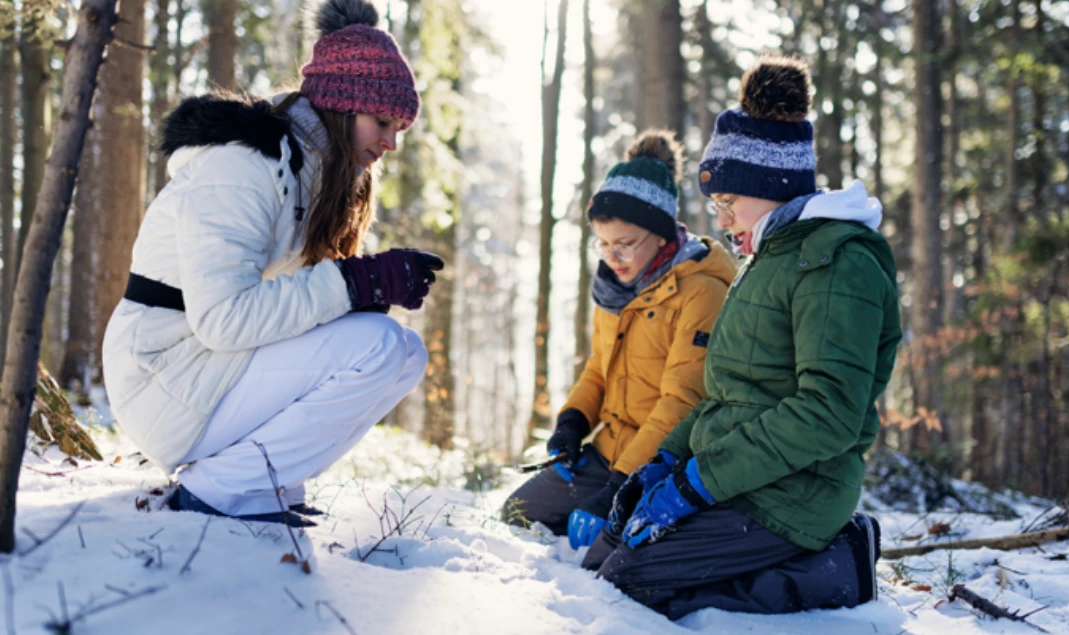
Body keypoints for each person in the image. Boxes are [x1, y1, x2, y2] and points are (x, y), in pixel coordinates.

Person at [581, 55, 903, 619]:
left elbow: (829, 413)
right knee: (603, 556)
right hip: (738, 473)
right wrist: (661, 464)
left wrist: (699, 482)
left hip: (794, 493)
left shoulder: (835, 263)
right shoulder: (768, 259)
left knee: (632, 585)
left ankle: (838, 565)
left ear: (770, 186)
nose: (723, 221)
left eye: (729, 204)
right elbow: (726, 394)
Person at [102, 0, 440, 527]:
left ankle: (261, 483)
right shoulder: (245, 165)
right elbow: (225, 318)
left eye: (400, 128)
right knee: (379, 348)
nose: (391, 143)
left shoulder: (315, 175)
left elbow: (290, 305)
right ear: (343, 104)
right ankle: (222, 490)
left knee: (401, 351)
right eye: (383, 122)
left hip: (207, 370)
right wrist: (356, 282)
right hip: (163, 374)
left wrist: (364, 293)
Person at [501, 131, 736, 549]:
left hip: (662, 461)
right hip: (609, 449)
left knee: (612, 552)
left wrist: (617, 487)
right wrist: (574, 420)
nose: (613, 258)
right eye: (604, 244)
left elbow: (682, 403)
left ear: (663, 236)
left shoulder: (701, 292)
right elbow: (599, 364)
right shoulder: (614, 289)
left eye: (626, 245)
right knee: (519, 514)